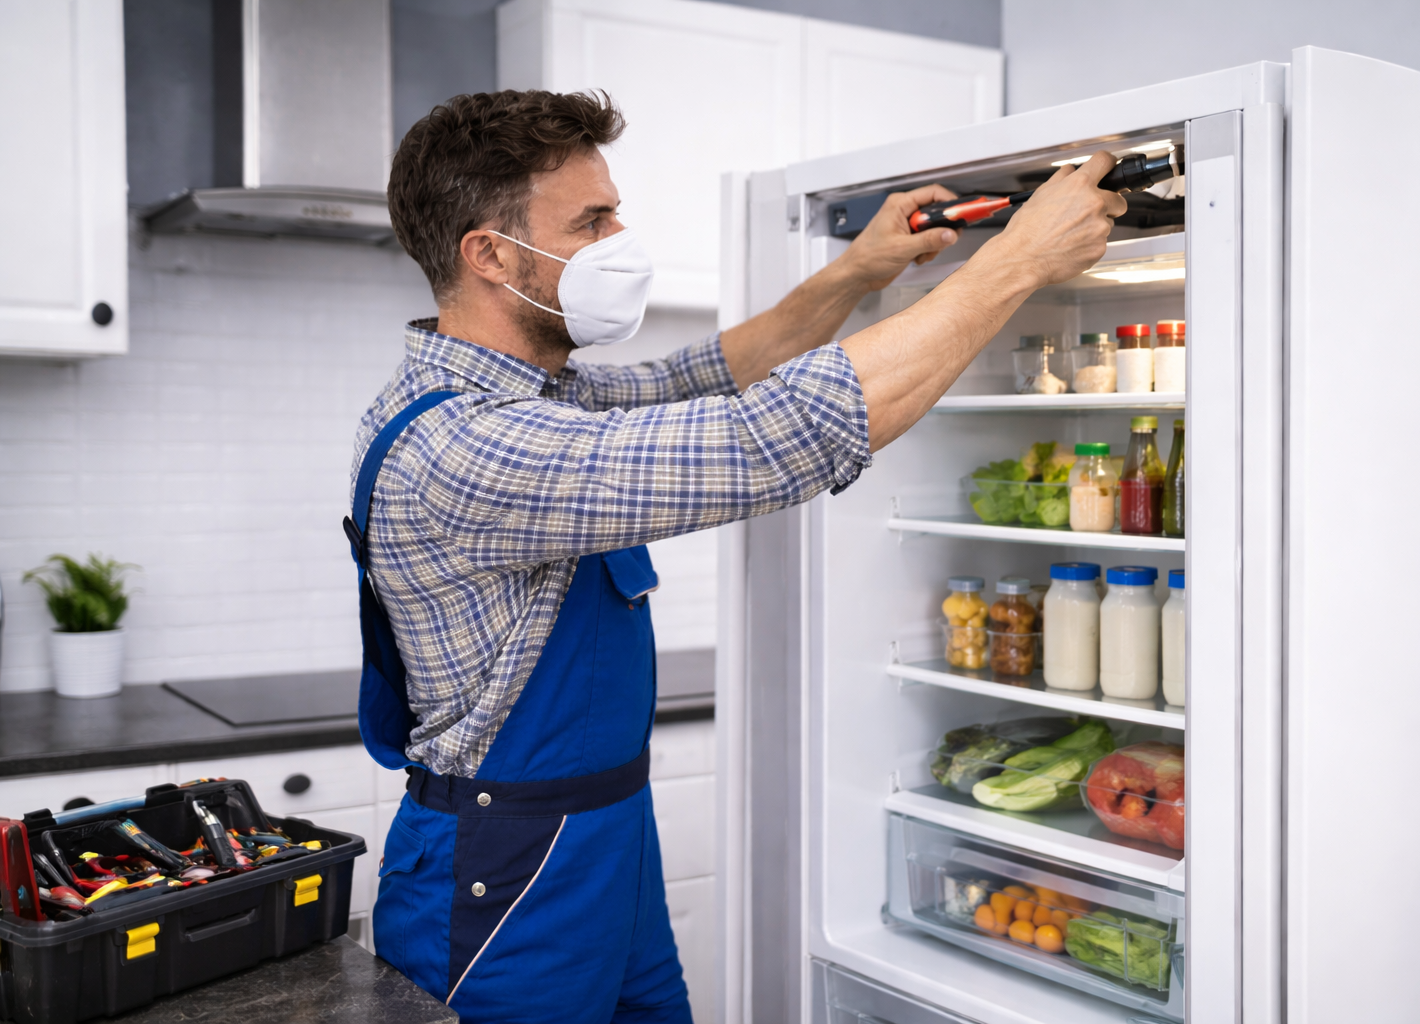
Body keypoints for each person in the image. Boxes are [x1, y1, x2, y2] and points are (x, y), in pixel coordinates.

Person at [350, 89, 1126, 1024]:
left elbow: (707, 375)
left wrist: (856, 273)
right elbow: (776, 433)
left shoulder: (543, 397)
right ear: (490, 254)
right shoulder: (468, 446)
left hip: (605, 840)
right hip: (501, 870)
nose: (621, 235)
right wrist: (1021, 261)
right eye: (592, 221)